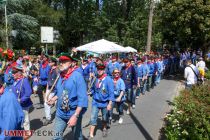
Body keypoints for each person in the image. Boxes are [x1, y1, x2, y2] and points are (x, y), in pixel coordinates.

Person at [47, 53, 88, 140]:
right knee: (56, 137)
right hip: (60, 112)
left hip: (73, 112)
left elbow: (82, 99)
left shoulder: (77, 76)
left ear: (70, 63)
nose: (61, 63)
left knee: (78, 137)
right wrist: (54, 99)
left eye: (64, 61)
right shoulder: (60, 76)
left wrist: (75, 116)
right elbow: (60, 92)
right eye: (60, 61)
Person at [88, 63, 114, 139]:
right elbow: (93, 89)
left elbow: (111, 93)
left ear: (104, 70)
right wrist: (90, 92)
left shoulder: (108, 79)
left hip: (105, 103)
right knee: (93, 117)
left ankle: (104, 128)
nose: (99, 71)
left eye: (101, 69)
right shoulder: (95, 78)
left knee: (104, 118)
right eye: (98, 69)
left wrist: (109, 104)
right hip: (95, 102)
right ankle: (91, 134)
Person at [11, 63, 33, 131]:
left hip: (24, 104)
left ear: (19, 73)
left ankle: (27, 132)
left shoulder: (24, 80)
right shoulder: (14, 81)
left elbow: (28, 93)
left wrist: (21, 100)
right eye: (12, 72)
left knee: (25, 118)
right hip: (16, 104)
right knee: (19, 118)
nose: (12, 74)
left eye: (14, 73)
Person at [43, 56, 59, 126]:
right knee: (46, 103)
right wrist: (46, 89)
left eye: (50, 62)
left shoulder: (57, 70)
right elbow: (48, 80)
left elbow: (58, 81)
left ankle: (59, 117)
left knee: (56, 104)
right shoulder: (50, 70)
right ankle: (48, 118)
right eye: (49, 61)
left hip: (54, 89)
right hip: (49, 88)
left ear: (54, 63)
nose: (49, 63)